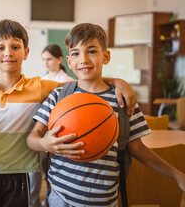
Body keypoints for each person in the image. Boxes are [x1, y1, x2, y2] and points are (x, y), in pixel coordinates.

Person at [0, 19, 137, 207]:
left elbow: (84, 81)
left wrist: (117, 81)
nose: (8, 52)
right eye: (0, 48)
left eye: (15, 46)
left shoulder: (40, 87)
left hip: (20, 173)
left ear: (26, 53)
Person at [27, 23, 185, 206]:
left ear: (106, 56)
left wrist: (177, 175)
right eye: (76, 53)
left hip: (103, 199)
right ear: (69, 61)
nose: (84, 59)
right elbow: (32, 138)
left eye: (92, 51)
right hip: (59, 196)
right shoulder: (58, 96)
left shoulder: (123, 100)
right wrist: (44, 143)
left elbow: (138, 149)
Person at [29, 44, 75, 207]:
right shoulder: (43, 80)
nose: (46, 63)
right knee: (41, 170)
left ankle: (50, 199)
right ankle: (44, 200)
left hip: (58, 132)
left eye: (49, 59)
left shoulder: (69, 82)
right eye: (43, 59)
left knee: (52, 172)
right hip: (41, 132)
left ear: (60, 60)